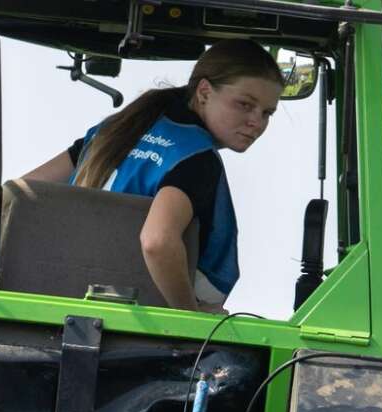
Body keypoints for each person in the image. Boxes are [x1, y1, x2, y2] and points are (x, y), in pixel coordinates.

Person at [23, 41, 284, 311]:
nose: (257, 122)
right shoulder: (195, 158)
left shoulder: (115, 129)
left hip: (62, 303)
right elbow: (157, 241)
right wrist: (188, 318)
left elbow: (21, 193)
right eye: (244, 104)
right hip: (138, 320)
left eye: (267, 113)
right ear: (204, 92)